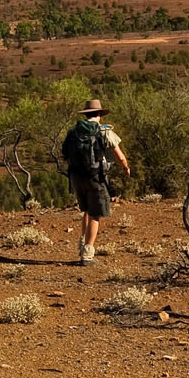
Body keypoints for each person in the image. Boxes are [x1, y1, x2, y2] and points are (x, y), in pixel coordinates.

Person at [60, 97, 130, 265]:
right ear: (99, 114)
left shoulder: (73, 131)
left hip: (76, 177)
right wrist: (126, 167)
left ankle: (82, 245)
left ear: (86, 115)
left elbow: (65, 154)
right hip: (95, 177)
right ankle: (88, 254)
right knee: (95, 214)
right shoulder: (104, 131)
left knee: (86, 210)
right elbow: (119, 155)